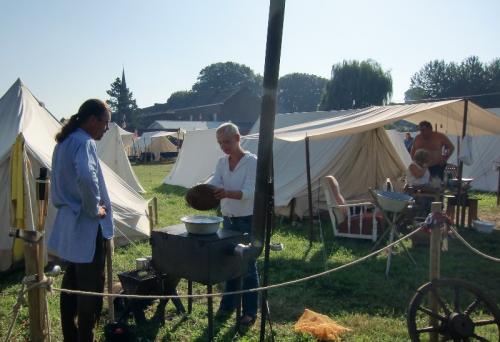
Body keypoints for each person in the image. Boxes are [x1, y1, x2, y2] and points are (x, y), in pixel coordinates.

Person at [48, 99, 113, 342]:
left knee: (71, 283)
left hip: (69, 224)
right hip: (86, 226)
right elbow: (86, 178)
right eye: (105, 123)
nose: (106, 129)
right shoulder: (84, 142)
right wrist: (94, 209)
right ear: (93, 120)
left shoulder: (64, 141)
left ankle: (70, 336)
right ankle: (85, 338)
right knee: (89, 288)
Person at [207, 122, 258, 326]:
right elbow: (215, 182)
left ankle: (250, 311)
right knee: (229, 263)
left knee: (247, 264)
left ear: (238, 138)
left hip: (247, 219)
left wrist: (227, 193)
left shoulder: (252, 162)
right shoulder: (221, 162)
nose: (224, 146)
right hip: (227, 218)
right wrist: (202, 190)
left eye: (227, 141)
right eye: (220, 143)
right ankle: (228, 305)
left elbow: (250, 192)